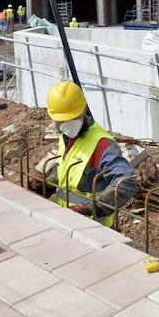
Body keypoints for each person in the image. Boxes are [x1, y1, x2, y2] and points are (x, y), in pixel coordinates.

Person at [42, 81, 137, 226]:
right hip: (66, 222)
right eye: (62, 120)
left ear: (83, 110)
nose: (67, 123)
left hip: (94, 227)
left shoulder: (101, 143)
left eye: (72, 118)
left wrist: (91, 207)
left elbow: (126, 181)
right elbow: (71, 168)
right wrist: (48, 181)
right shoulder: (65, 137)